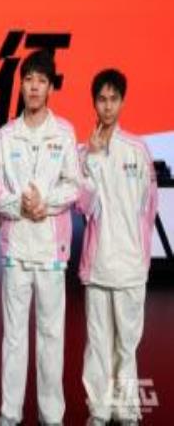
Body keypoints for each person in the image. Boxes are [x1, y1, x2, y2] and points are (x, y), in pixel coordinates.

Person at [0, 50, 80, 426]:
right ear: (21, 85)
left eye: (41, 80)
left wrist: (46, 204)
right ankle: (10, 412)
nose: (34, 87)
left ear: (50, 87)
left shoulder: (65, 133)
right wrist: (19, 207)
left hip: (52, 251)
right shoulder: (6, 136)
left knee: (51, 336)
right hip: (16, 249)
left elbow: (73, 184)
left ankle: (51, 414)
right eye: (28, 80)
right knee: (13, 337)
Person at [78, 69, 158, 426]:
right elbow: (84, 206)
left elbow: (148, 209)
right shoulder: (83, 153)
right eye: (102, 99)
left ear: (122, 102)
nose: (107, 106)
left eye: (113, 99)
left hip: (130, 267)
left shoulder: (138, 150)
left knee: (127, 344)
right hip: (97, 266)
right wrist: (94, 159)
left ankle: (126, 410)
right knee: (98, 343)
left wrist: (141, 256)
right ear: (93, 103)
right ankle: (99, 410)